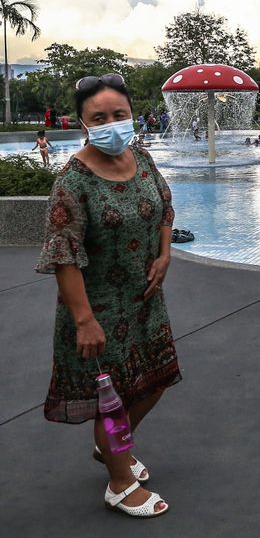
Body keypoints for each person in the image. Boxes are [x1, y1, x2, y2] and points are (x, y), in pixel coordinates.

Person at [36, 73, 178, 517]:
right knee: (112, 397)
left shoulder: (142, 157)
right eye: (100, 118)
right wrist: (84, 319)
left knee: (155, 381)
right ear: (83, 123)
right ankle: (119, 482)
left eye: (119, 114)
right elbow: (63, 254)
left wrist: (165, 253)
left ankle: (111, 446)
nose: (112, 124)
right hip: (97, 308)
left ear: (132, 114)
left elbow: (165, 205)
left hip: (144, 299)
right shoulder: (72, 181)